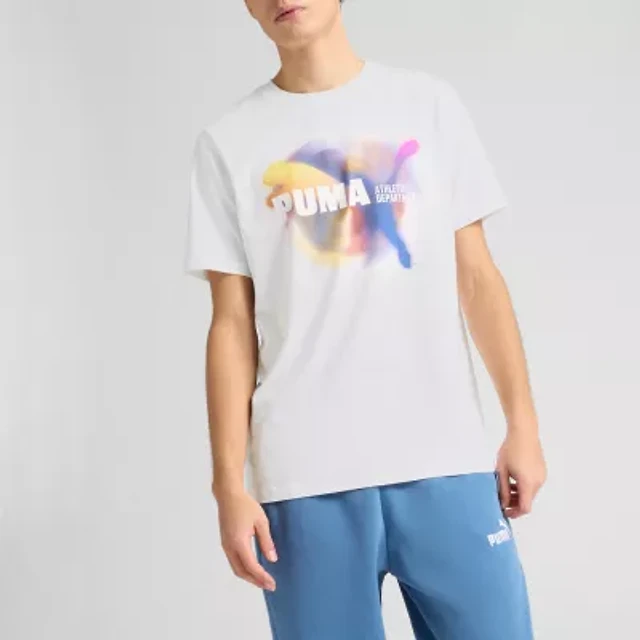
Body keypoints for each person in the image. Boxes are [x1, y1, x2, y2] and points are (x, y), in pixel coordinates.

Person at [183, 1, 547, 638]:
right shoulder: (229, 141)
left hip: (445, 457)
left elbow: (478, 277)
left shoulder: (427, 105)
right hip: (304, 479)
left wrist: (523, 424)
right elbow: (231, 324)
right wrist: (228, 487)